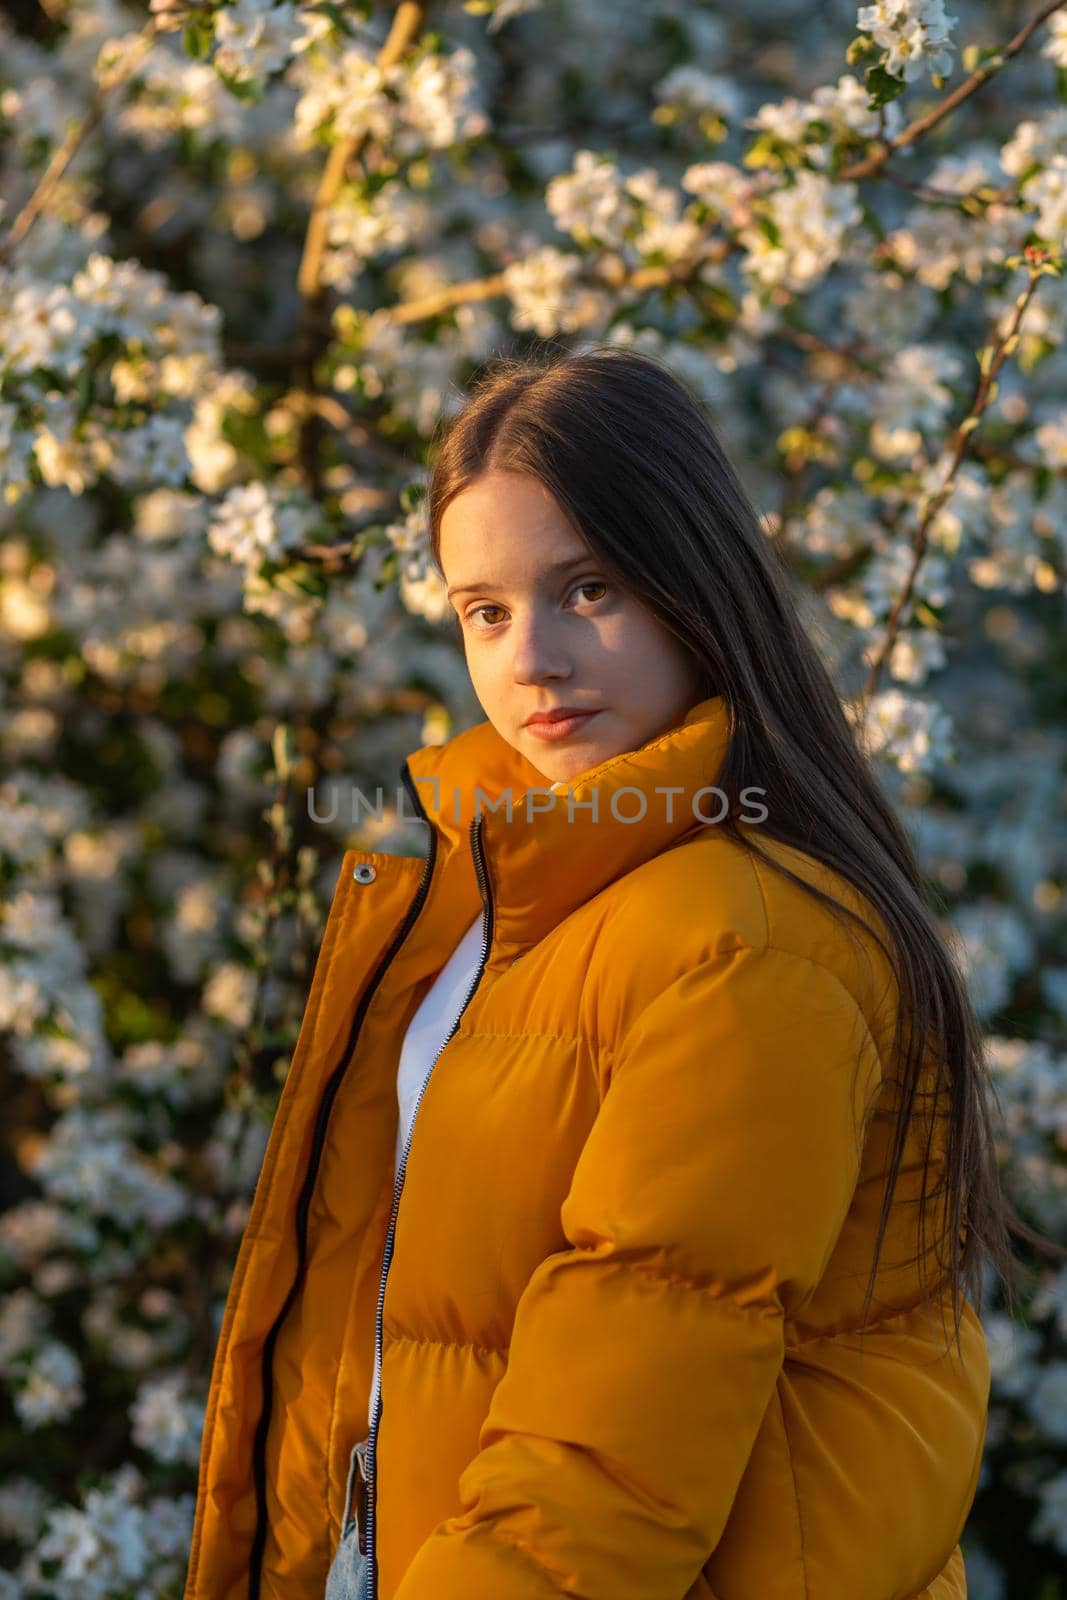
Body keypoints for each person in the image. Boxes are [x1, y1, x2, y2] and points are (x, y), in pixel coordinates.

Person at [182, 345, 1060, 1600]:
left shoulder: (749, 946)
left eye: (584, 589)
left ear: (693, 586)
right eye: (482, 609)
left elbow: (602, 1474)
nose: (527, 656)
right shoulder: (501, 894)